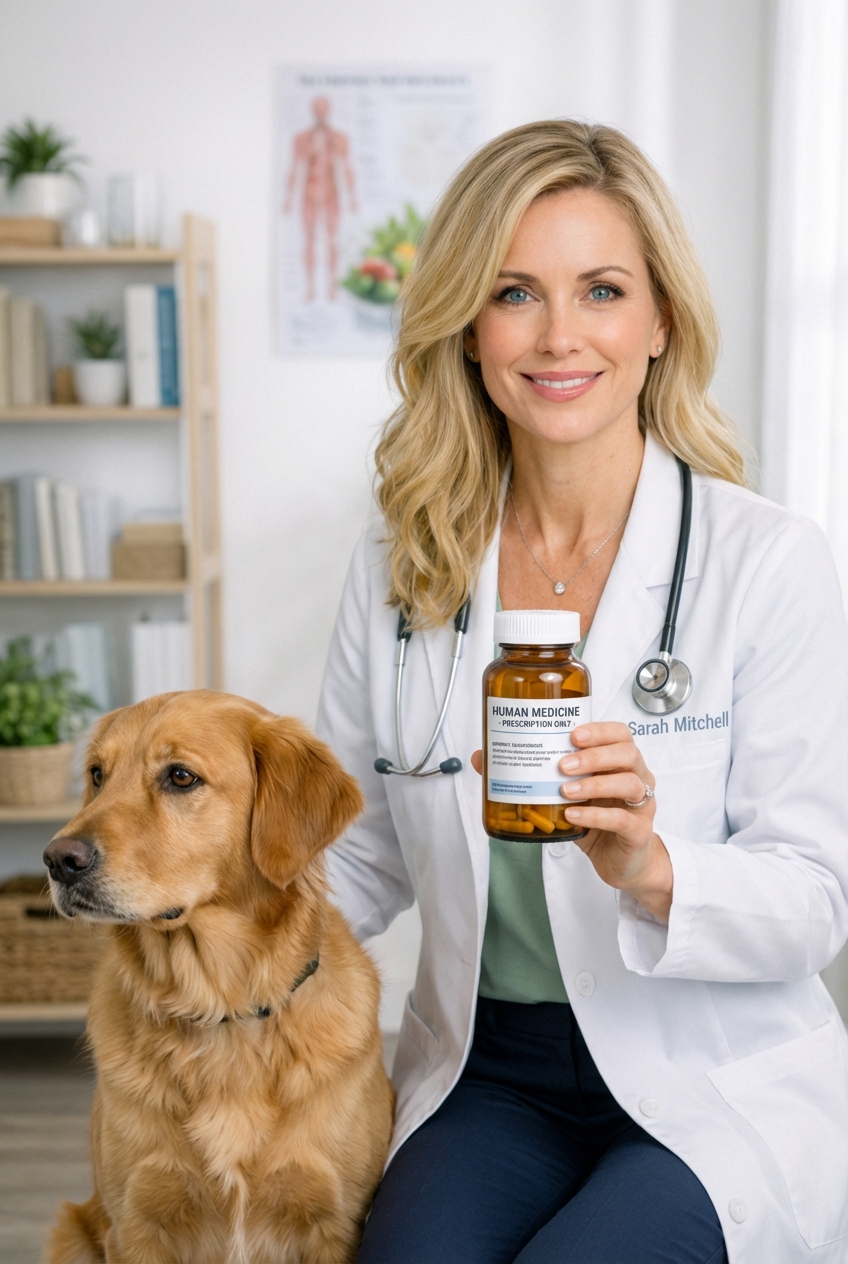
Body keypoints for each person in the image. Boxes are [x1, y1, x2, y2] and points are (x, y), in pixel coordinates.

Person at [315, 121, 848, 1264]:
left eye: (599, 289)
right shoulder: (403, 567)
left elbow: (814, 895)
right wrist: (212, 927)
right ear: (466, 325)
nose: (558, 336)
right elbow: (356, 855)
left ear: (658, 320)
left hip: (701, 1073)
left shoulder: (765, 562)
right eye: (513, 292)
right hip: (484, 1072)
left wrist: (655, 869)